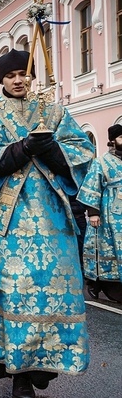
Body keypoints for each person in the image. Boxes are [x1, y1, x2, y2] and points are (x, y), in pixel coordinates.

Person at [0, 49, 95, 398]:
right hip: (6, 225)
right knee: (13, 293)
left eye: (24, 74)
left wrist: (51, 150)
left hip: (52, 220)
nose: (19, 80)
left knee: (53, 292)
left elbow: (82, 151)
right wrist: (20, 149)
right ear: (1, 80)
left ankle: (44, 366)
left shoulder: (53, 111)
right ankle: (18, 377)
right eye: (11, 75)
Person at [76, 123, 122, 302]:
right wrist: (93, 212)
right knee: (106, 248)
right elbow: (92, 186)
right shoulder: (101, 162)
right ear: (113, 141)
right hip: (109, 215)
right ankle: (102, 282)